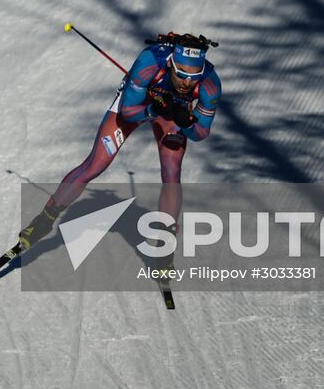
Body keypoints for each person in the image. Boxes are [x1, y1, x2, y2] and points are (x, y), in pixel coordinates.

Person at [17, 32, 221, 251]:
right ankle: (45, 219)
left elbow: (200, 133)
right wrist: (153, 108)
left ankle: (165, 242)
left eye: (194, 75)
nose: (187, 82)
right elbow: (127, 113)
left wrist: (185, 121)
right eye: (181, 73)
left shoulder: (210, 85)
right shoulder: (150, 62)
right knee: (96, 164)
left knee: (171, 172)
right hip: (138, 104)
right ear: (171, 63)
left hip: (171, 114)